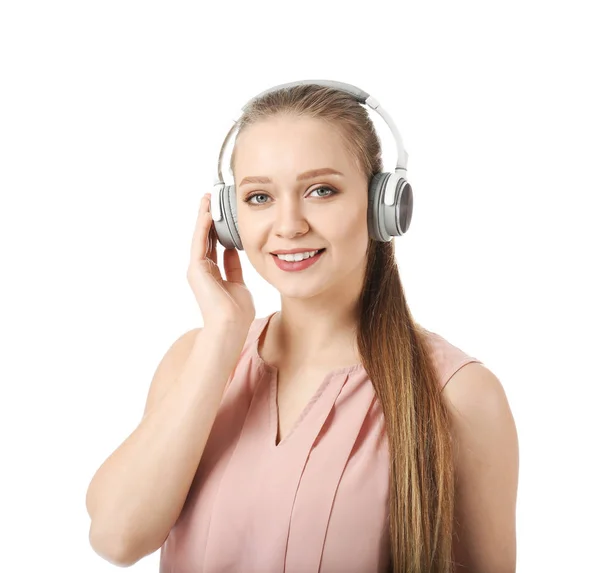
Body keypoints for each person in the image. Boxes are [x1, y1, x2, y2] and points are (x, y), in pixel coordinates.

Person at [85, 81, 519, 573]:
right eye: (258, 197)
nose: (288, 225)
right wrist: (224, 336)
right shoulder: (196, 359)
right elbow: (116, 539)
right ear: (228, 219)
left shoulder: (461, 395)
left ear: (383, 206)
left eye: (321, 190)